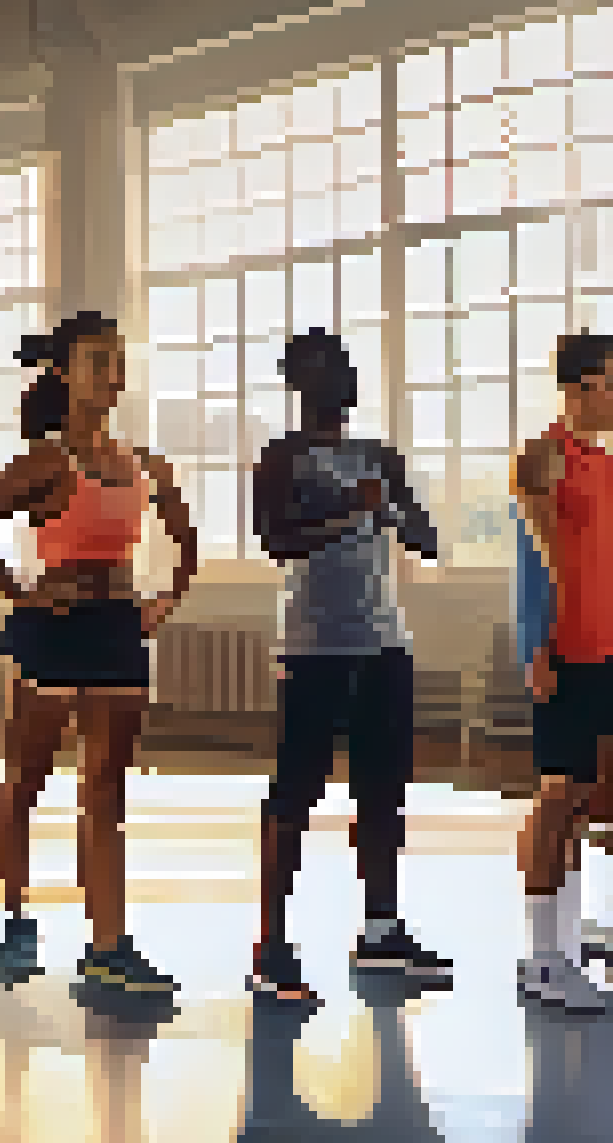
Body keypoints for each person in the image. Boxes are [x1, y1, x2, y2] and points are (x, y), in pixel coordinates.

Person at [0, 311, 197, 1004]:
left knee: (105, 792)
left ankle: (108, 947)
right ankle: (15, 920)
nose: (112, 375)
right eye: (97, 362)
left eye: (117, 362)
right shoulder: (46, 461)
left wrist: (163, 601)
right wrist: (22, 594)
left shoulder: (144, 464)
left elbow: (186, 543)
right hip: (52, 633)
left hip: (117, 630)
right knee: (25, 782)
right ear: (65, 373)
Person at [247, 327, 448, 1009]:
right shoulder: (282, 458)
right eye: (326, 369)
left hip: (385, 642)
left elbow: (427, 538)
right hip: (314, 645)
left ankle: (382, 932)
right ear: (300, 384)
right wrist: (345, 511)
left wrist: (391, 508)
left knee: (383, 790)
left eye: (345, 367)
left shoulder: (379, 457)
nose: (342, 380)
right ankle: (271, 947)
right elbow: (276, 540)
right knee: (296, 790)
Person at [512, 330, 613, 1013]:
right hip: (565, 652)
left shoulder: (602, 462)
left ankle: (570, 939)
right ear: (581, 387)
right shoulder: (544, 456)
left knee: (590, 798)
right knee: (558, 799)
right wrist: (539, 648)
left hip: (605, 650)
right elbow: (540, 560)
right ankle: (542, 958)